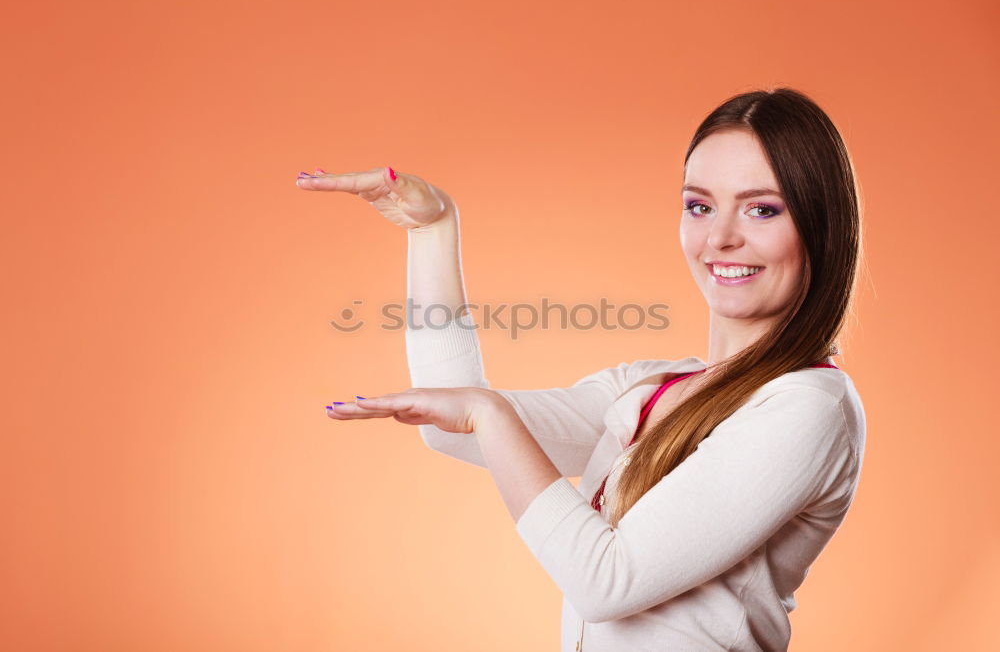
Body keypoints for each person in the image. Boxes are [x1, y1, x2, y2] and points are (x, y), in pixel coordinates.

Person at [301, 86, 866, 652]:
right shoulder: (649, 387)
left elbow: (608, 581)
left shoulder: (808, 404)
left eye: (762, 209)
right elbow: (453, 424)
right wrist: (431, 231)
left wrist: (487, 413)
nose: (719, 237)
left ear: (819, 225)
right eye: (699, 205)